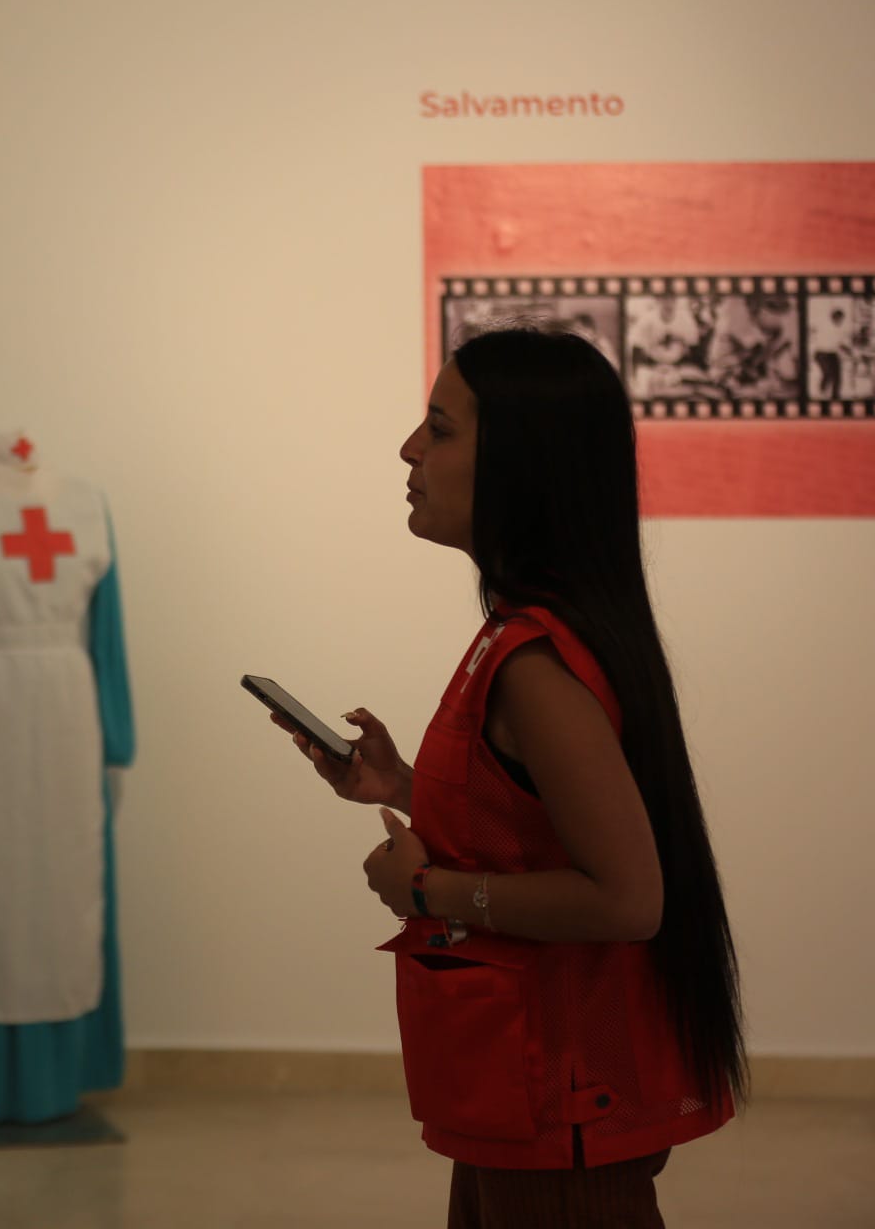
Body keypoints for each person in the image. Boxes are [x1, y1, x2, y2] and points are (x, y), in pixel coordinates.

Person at [280, 324, 745, 1227]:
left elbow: (625, 899)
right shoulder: (520, 637)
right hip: (517, 1089)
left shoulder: (536, 664)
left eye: (441, 428)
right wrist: (405, 788)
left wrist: (426, 888)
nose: (410, 449)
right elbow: (535, 822)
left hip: (561, 1094)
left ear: (522, 464)